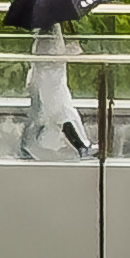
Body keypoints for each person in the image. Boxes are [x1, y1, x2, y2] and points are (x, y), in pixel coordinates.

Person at [20, 20, 93, 159]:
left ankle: (26, 146)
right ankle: (81, 146)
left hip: (52, 78)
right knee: (60, 113)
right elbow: (52, 56)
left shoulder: (49, 28)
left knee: (49, 113)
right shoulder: (49, 30)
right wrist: (71, 50)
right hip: (50, 80)